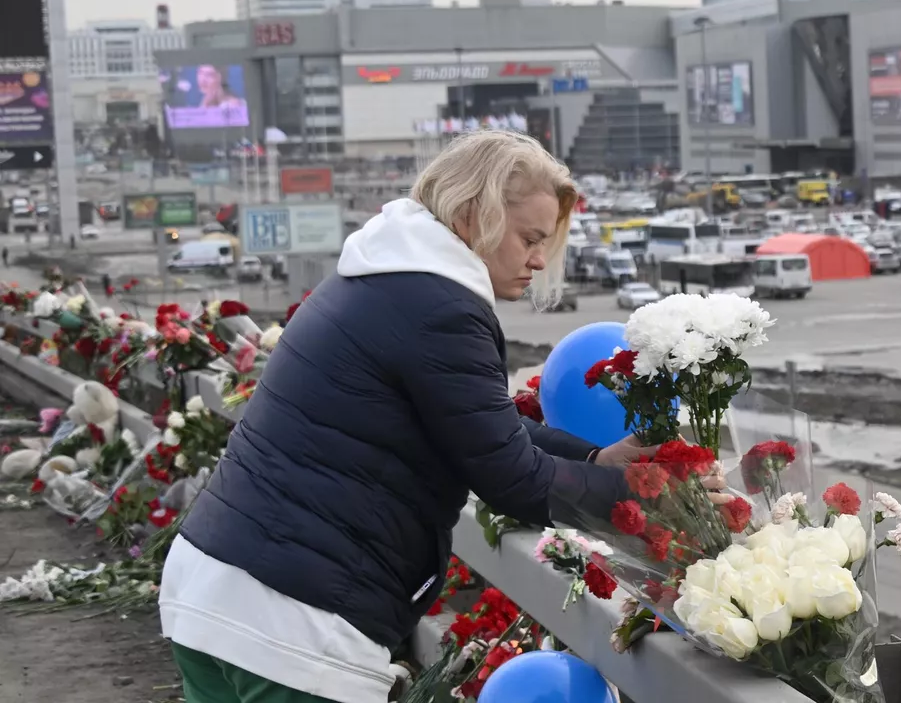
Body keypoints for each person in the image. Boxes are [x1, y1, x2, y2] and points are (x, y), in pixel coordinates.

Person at [160, 131, 677, 703]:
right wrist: (647, 491)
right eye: (530, 238)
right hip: (294, 622)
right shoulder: (442, 307)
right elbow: (511, 477)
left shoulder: (387, 274)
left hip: (215, 587)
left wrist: (593, 460)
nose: (537, 260)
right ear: (471, 213)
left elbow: (475, 422)